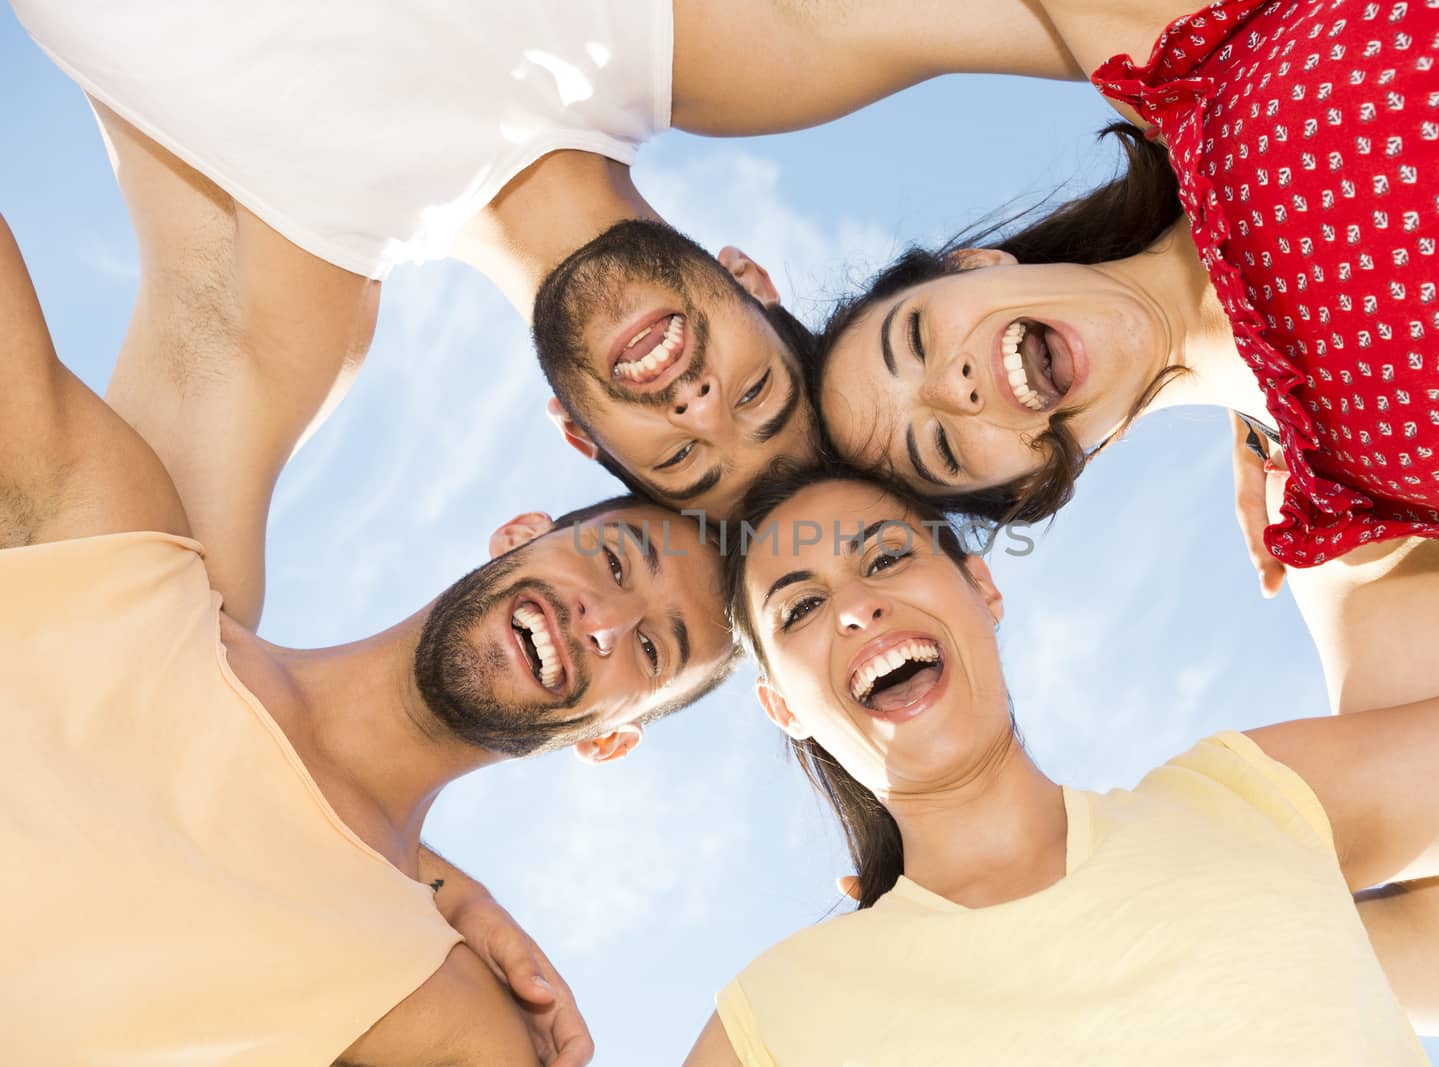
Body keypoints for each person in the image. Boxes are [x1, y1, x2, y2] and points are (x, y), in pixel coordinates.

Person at [8, 0, 1076, 628]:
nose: (704, 402)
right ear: (754, 280)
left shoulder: (289, 295)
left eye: (686, 458)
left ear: (577, 431)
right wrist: (1220, 343)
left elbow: (137, 643)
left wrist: (417, 871)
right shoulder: (701, 42)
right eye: (756, 391)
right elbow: (1124, 28)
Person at [0, 214, 736, 1066]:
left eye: (651, 651)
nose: (603, 620)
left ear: (608, 739)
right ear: (520, 532)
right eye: (612, 559)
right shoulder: (127, 562)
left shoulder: (445, 1016)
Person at [679, 467, 1439, 1065]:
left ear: (983, 587)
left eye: (886, 556)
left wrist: (1302, 436)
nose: (856, 608)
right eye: (799, 609)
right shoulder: (782, 1019)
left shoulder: (1243, 803)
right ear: (782, 707)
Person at [810, 0, 1439, 569]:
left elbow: (798, 25)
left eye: (915, 338)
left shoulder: (1193, 57)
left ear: (974, 265)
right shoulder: (1358, 510)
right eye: (942, 446)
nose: (956, 388)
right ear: (1033, 486)